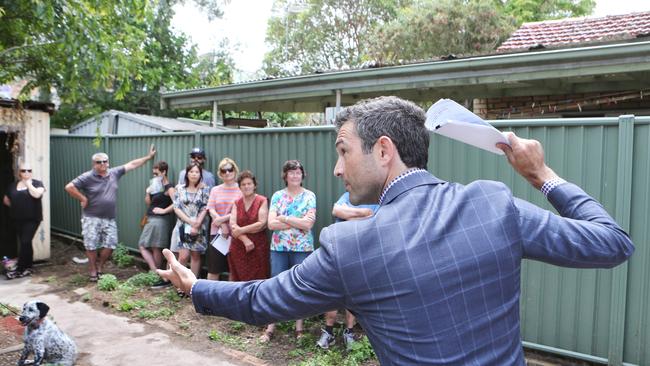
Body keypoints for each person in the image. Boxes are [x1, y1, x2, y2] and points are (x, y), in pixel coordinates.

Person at [159, 96, 634, 364]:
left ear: (384, 151)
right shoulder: (493, 204)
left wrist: (196, 285)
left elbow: (261, 300)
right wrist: (540, 176)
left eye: (343, 150)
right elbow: (612, 243)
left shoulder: (351, 246)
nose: (338, 169)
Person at [65, 145, 156, 282]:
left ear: (108, 162)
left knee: (111, 244)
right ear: (93, 164)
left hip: (109, 218)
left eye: (105, 161)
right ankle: (93, 270)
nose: (102, 164)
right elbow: (69, 187)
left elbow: (132, 164)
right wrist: (82, 198)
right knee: (91, 245)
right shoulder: (87, 177)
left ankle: (100, 266)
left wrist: (148, 157)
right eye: (99, 162)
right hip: (91, 217)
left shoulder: (114, 173)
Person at [259, 159, 316, 341]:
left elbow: (308, 224)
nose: (295, 175)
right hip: (279, 248)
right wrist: (296, 221)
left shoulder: (309, 196)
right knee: (276, 285)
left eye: (298, 172)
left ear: (302, 175)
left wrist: (283, 218)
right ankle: (270, 327)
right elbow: (270, 224)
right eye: (291, 172)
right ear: (285, 175)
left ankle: (298, 328)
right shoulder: (277, 196)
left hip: (302, 248)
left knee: (299, 285)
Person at [316, 191, 378, 350]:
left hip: (362, 253)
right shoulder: (348, 195)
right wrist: (363, 214)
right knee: (333, 293)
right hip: (341, 251)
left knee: (353, 295)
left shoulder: (376, 197)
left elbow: (374, 219)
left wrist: (349, 216)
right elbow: (336, 211)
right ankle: (328, 332)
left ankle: (349, 332)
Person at [170, 147, 215, 258]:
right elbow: (179, 198)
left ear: (203, 159)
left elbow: (210, 200)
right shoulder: (182, 174)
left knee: (196, 255)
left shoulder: (209, 176)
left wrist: (197, 222)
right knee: (180, 254)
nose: (195, 159)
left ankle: (194, 276)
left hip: (200, 221)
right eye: (193, 157)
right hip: (183, 220)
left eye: (199, 157)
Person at [172, 163, 210, 295]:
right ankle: (180, 285)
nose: (194, 174)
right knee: (183, 256)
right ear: (187, 174)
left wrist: (197, 223)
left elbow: (206, 207)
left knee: (195, 255)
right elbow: (176, 207)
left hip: (199, 227)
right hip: (183, 226)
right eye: (191, 172)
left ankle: (191, 287)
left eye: (197, 172)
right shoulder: (180, 189)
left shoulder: (205, 189)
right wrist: (189, 221)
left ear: (200, 175)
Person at [2, 163, 45, 279]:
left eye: (29, 170)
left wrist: (29, 184)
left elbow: (37, 195)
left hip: (32, 219)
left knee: (25, 241)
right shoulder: (12, 185)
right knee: (25, 242)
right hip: (17, 219)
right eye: (23, 170)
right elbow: (6, 200)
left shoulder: (37, 183)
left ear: (31, 172)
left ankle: (20, 268)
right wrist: (16, 207)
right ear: (19, 172)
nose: (26, 173)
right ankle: (29, 267)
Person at [138, 161, 175, 288]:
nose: (154, 175)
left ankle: (155, 272)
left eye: (156, 173)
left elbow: (177, 203)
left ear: (164, 172)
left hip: (160, 220)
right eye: (153, 173)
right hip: (150, 219)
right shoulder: (156, 186)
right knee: (153, 247)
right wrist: (147, 192)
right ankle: (157, 273)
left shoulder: (169, 187)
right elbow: (149, 203)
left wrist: (164, 210)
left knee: (150, 246)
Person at [228, 170, 269, 282]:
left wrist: (241, 230)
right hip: (238, 246)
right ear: (240, 187)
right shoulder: (237, 203)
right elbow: (232, 224)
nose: (246, 187)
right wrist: (245, 239)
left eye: (249, 183)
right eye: (243, 184)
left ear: (254, 185)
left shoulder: (262, 200)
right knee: (238, 279)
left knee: (258, 279)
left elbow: (261, 223)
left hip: (258, 246)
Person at [206, 158, 242, 281]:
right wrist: (222, 225)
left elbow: (240, 211)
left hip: (236, 234)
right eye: (224, 170)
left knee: (233, 269)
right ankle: (209, 298)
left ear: (235, 171)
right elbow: (210, 209)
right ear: (220, 173)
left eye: (230, 169)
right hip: (217, 235)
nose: (227, 173)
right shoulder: (215, 190)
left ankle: (229, 299)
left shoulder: (241, 189)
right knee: (214, 269)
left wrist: (222, 220)